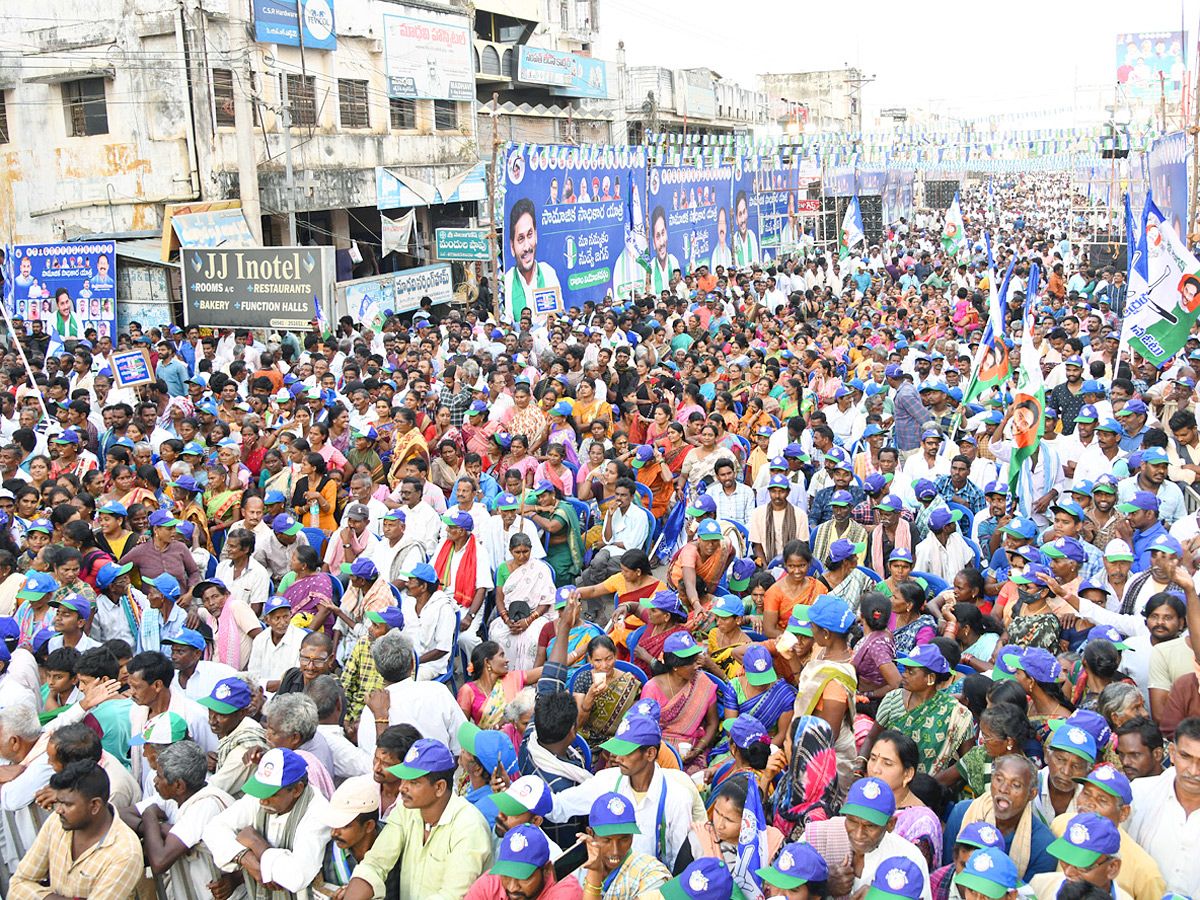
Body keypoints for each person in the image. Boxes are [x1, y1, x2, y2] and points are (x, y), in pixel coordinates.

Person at [337, 738, 495, 900]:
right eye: (403, 779)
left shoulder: (469, 827)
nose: (402, 787)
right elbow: (375, 864)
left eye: (413, 782)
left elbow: (452, 896)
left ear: (439, 787)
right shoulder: (406, 810)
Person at [203, 746, 333, 896]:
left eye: (272, 794)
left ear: (297, 790)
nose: (263, 801)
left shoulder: (317, 812)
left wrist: (256, 843)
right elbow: (213, 829)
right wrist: (245, 858)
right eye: (261, 791)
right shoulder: (259, 799)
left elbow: (297, 876)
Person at [8, 759, 144, 900]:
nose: (59, 810)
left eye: (67, 804)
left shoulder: (125, 852)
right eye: (58, 802)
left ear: (94, 805)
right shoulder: (57, 823)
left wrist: (40, 895)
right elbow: (17, 884)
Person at [941, 754, 1058, 879]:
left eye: (1016, 785)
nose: (1003, 789)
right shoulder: (962, 813)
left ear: (1032, 794)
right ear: (991, 780)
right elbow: (946, 873)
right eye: (999, 779)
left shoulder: (1043, 844)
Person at [864, 643, 973, 776]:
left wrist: (936, 784)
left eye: (911, 671)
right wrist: (859, 767)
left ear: (930, 678)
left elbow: (967, 761)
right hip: (887, 777)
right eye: (904, 669)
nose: (904, 675)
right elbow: (871, 737)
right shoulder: (893, 699)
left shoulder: (957, 713)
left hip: (929, 787)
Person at [641, 631, 719, 768]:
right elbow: (644, 730)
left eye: (697, 660)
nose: (697, 666)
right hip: (659, 749)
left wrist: (697, 751)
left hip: (692, 749)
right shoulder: (652, 688)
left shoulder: (703, 683)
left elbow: (713, 724)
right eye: (691, 663)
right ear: (675, 666)